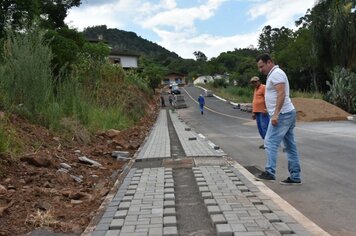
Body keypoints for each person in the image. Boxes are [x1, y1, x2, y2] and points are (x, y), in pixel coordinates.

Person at [255, 54, 301, 185]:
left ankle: (270, 172)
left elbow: (281, 93)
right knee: (290, 146)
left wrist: (275, 114)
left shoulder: (276, 73)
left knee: (269, 142)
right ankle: (295, 176)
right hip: (286, 113)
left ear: (269, 62)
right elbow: (275, 94)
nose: (260, 70)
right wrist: (269, 110)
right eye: (259, 67)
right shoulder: (274, 74)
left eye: (262, 66)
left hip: (283, 114)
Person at [250, 76, 269, 149]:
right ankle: (265, 142)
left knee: (264, 127)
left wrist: (266, 108)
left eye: (255, 82)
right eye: (252, 83)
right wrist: (253, 112)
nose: (254, 84)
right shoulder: (255, 89)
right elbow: (254, 101)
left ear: (259, 81)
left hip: (263, 111)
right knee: (260, 128)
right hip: (257, 112)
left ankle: (268, 144)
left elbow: (267, 98)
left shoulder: (264, 87)